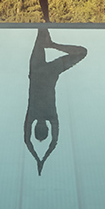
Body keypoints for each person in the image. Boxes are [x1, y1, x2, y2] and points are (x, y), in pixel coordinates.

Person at [23, 27, 88, 174]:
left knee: (82, 52)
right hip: (37, 71)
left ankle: (51, 43)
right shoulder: (32, 115)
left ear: (46, 127)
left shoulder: (51, 117)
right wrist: (39, 159)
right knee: (41, 34)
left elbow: (53, 142)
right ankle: (49, 40)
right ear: (35, 127)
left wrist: (42, 159)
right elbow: (27, 141)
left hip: (50, 73)